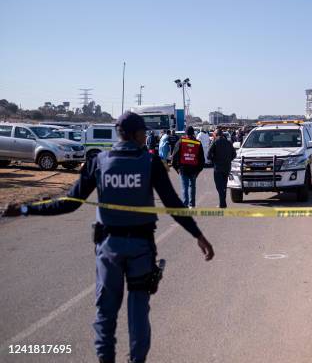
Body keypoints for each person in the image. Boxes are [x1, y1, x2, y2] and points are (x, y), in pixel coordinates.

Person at [2, 112, 214, 363]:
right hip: (141, 249)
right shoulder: (150, 162)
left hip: (109, 248)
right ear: (135, 134)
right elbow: (173, 205)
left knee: (105, 314)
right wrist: (198, 236)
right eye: (143, 132)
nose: (146, 135)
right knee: (138, 313)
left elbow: (69, 204)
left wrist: (27, 209)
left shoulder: (99, 162)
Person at [171, 126, 205, 208]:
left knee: (184, 187)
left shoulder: (181, 142)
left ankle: (185, 204)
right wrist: (198, 170)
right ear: (193, 133)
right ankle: (192, 205)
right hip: (193, 169)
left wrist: (177, 168)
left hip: (183, 169)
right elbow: (202, 159)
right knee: (192, 187)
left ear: (185, 133)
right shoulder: (197, 143)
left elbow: (174, 156)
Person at [207, 127, 236, 208]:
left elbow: (208, 155)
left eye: (214, 135)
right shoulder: (228, 142)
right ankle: (222, 203)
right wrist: (228, 160)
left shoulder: (215, 141)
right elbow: (234, 154)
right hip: (227, 167)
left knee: (219, 186)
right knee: (223, 185)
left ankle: (222, 203)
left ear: (216, 135)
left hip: (218, 167)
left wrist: (214, 160)